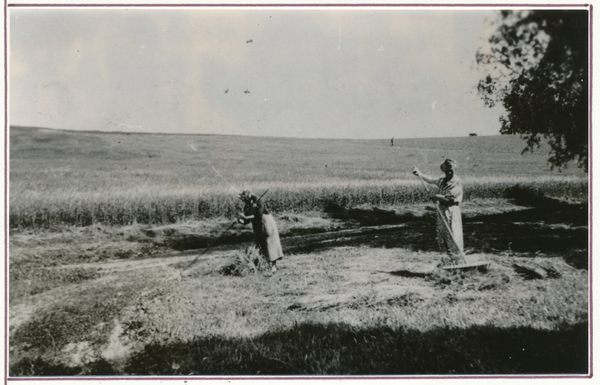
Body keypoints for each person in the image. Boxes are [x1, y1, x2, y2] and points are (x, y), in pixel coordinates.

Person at [412, 159, 464, 265]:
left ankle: (458, 261)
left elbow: (449, 198)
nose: (449, 172)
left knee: (453, 235)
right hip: (441, 210)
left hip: (452, 210)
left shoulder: (457, 182)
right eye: (447, 170)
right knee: (442, 235)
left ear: (455, 169)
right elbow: (431, 180)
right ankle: (446, 262)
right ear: (443, 170)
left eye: (451, 170)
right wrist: (419, 174)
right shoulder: (441, 179)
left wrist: (435, 196)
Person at [237, 190, 283, 273]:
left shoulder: (259, 201)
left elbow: (258, 215)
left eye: (245, 199)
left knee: (269, 243)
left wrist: (246, 217)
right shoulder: (247, 205)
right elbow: (247, 220)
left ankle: (273, 266)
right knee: (259, 244)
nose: (244, 201)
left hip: (266, 223)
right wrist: (240, 220)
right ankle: (264, 264)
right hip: (257, 226)